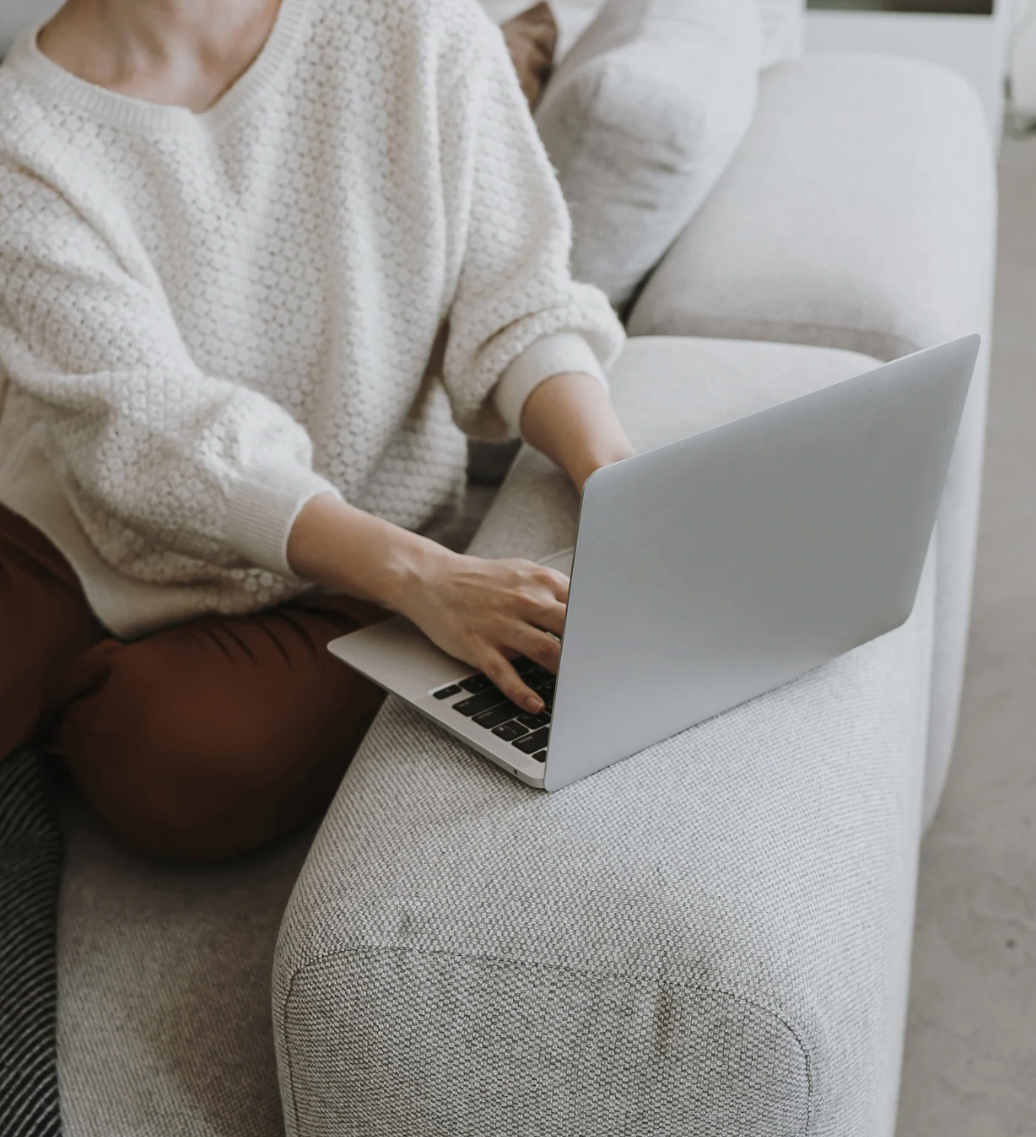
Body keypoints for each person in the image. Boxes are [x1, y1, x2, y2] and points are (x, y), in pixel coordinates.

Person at [0, 0, 633, 860]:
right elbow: (149, 430)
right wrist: (423, 581)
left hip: (353, 555)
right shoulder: (20, 129)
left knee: (174, 764)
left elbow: (522, 303)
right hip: (75, 530)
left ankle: (67, 698)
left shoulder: (424, 29)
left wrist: (614, 475)